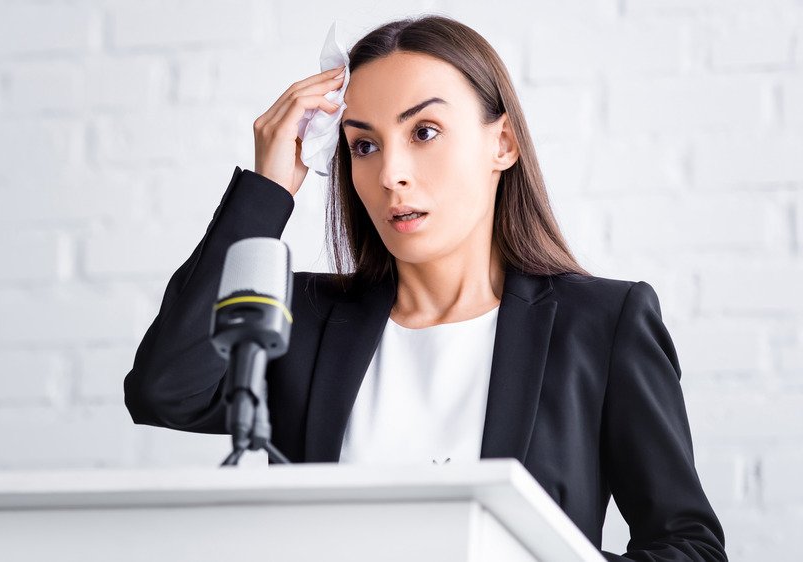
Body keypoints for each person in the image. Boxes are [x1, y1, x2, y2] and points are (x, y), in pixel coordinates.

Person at [124, 14, 727, 561]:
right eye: (364, 145)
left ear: (504, 143)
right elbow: (164, 390)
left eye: (425, 132)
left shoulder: (601, 324)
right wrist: (268, 189)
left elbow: (689, 547)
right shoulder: (301, 318)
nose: (391, 174)